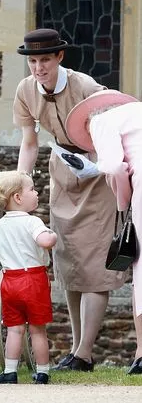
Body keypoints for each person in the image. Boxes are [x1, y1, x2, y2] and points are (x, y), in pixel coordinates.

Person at [13, 28, 127, 371]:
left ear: (60, 57)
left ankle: (84, 352)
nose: (38, 67)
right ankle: (78, 351)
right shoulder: (24, 90)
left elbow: (116, 128)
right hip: (63, 172)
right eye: (33, 61)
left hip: (98, 175)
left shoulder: (86, 87)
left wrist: (103, 165)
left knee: (95, 264)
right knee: (70, 263)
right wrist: (21, 180)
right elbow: (29, 142)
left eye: (45, 59)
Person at [65, 89, 142, 375]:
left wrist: (124, 201)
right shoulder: (135, 115)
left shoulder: (100, 122)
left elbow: (112, 166)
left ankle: (141, 353)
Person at [0, 170, 57, 384]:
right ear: (17, 197)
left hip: (9, 281)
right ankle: (43, 371)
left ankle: (10, 371)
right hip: (33, 279)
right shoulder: (32, 222)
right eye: (32, 189)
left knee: (14, 329)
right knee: (37, 329)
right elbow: (45, 242)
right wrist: (53, 234)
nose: (37, 193)